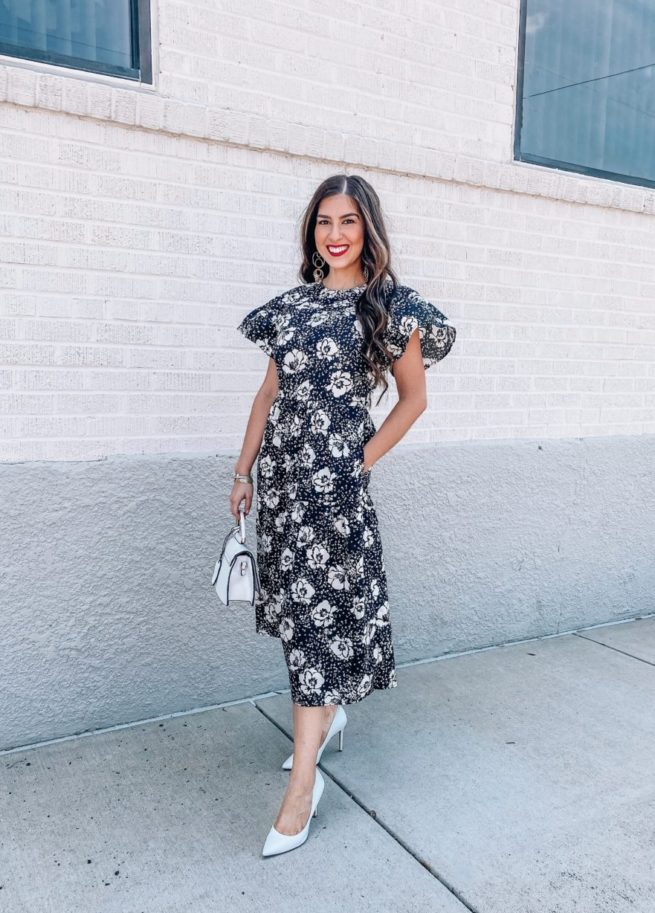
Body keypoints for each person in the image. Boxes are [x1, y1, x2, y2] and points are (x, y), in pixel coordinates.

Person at [230, 173, 457, 857]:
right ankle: (322, 725)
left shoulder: (390, 307)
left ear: (369, 230)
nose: (334, 234)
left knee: (321, 627)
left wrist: (357, 462)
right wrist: (241, 471)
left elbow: (412, 399)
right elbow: (267, 394)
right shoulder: (290, 308)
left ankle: (302, 784)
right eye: (323, 221)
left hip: (335, 496)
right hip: (282, 491)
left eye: (348, 222)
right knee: (300, 621)